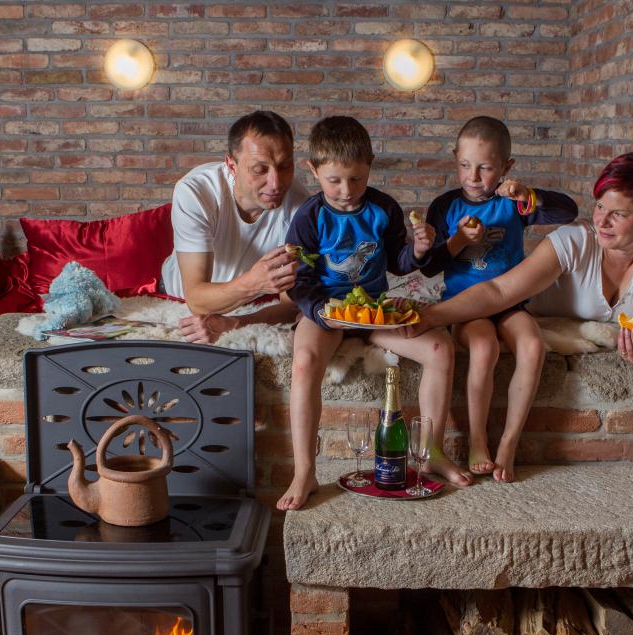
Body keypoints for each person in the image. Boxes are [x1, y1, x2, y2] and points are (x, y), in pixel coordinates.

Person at [278, 116, 473, 511]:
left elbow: (399, 262)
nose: (347, 191)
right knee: (304, 360)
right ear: (313, 170)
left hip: (373, 311)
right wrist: (318, 311)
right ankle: (305, 471)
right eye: (334, 180)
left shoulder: (383, 207)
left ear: (370, 166)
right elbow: (297, 280)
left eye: (357, 179)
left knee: (440, 349)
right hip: (328, 311)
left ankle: (431, 452)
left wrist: (419, 249)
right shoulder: (309, 216)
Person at [407, 151, 633, 366]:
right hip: (525, 313)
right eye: (600, 206)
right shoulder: (576, 239)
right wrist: (430, 316)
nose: (602, 221)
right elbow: (499, 291)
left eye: (618, 214)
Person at [418, 116, 578, 481]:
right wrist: (458, 241)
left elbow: (568, 211)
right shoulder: (445, 206)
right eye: (464, 165)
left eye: (485, 168)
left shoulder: (512, 202)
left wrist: (529, 195)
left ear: (506, 167)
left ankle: (509, 440)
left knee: (533, 346)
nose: (473, 177)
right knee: (484, 346)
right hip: (466, 306)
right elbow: (429, 268)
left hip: (509, 304)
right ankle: (478, 439)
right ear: (455, 158)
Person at [158, 110, 308, 344]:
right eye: (260, 169)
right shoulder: (196, 191)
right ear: (231, 165)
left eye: (284, 166)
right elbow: (196, 299)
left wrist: (236, 323)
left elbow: (290, 306)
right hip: (177, 297)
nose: (276, 183)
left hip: (253, 301)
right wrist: (254, 282)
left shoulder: (300, 206)